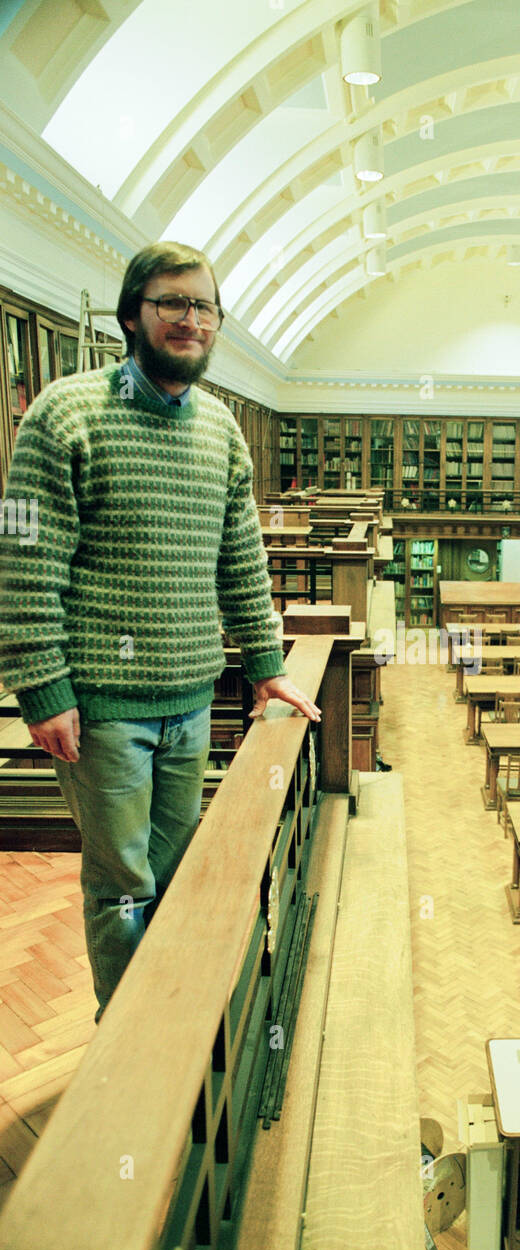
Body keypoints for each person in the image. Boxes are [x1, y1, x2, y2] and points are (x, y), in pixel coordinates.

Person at [0, 241, 321, 1021]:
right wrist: (42, 688)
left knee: (177, 870)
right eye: (171, 303)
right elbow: (24, 560)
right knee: (121, 887)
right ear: (130, 315)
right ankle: (130, 1039)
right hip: (102, 709)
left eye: (203, 305)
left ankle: (175, 1016)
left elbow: (239, 559)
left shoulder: (219, 430)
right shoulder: (64, 414)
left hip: (189, 698)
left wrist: (267, 664)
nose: (190, 319)